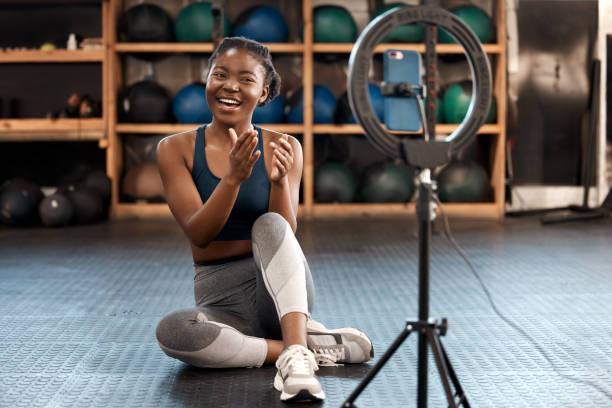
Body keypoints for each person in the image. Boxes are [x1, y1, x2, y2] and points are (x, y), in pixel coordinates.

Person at [155, 37, 373, 403]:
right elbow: (200, 232)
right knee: (173, 332)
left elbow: (286, 235)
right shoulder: (173, 149)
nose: (230, 87)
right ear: (207, 79)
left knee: (270, 225)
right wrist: (233, 179)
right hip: (220, 301)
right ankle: (298, 347)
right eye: (220, 74)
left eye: (245, 79)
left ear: (264, 90)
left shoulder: (285, 146)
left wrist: (276, 184)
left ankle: (295, 352)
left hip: (280, 294)